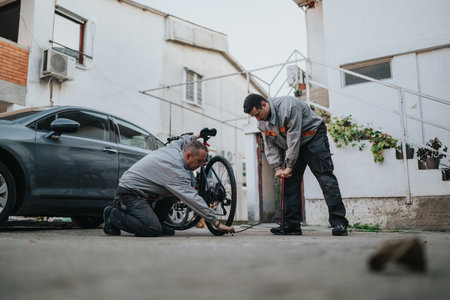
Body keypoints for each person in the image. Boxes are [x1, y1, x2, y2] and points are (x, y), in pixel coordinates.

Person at [243, 93, 348, 236]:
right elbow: (270, 146)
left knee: (325, 178)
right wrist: (278, 168)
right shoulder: (262, 123)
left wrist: (289, 165)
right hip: (293, 144)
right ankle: (292, 225)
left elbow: (294, 137)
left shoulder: (288, 106)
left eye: (258, 114)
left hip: (313, 137)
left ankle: (339, 223)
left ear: (264, 104)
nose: (258, 119)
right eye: (254, 116)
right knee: (290, 182)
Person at [103, 130, 235, 237]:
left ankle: (159, 222)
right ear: (188, 156)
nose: (201, 165)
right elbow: (194, 200)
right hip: (129, 193)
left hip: (143, 194)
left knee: (172, 195)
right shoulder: (176, 172)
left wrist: (198, 135)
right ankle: (112, 215)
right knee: (151, 229)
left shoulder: (175, 148)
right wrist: (216, 223)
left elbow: (183, 140)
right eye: (199, 161)